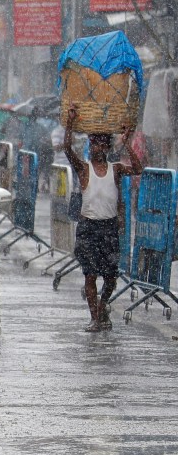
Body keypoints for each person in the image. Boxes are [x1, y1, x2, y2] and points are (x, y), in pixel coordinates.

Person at [63, 107, 143, 332]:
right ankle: (94, 318)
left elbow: (137, 168)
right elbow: (68, 149)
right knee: (90, 274)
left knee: (110, 277)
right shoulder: (83, 168)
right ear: (90, 146)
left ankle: (103, 303)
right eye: (94, 144)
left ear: (107, 148)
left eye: (101, 145)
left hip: (108, 228)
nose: (97, 148)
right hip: (88, 227)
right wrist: (70, 123)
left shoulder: (115, 170)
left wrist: (126, 142)